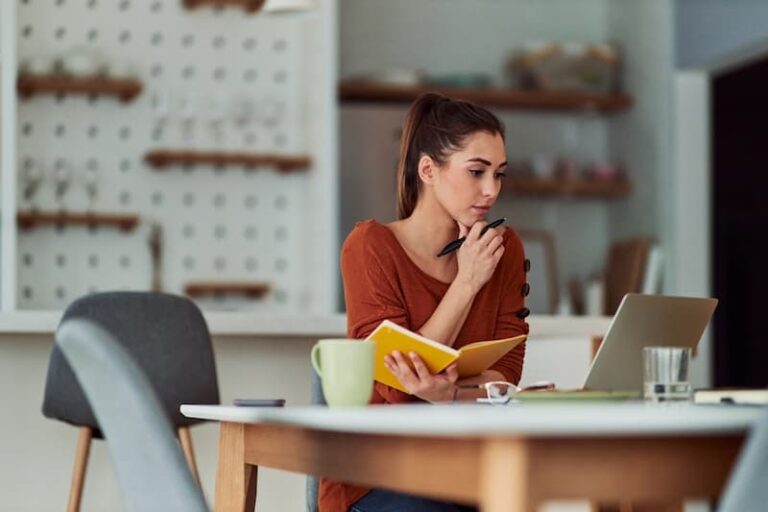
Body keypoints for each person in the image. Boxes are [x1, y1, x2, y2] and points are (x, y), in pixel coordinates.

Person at [319, 93, 530, 512]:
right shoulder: (369, 247)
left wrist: (447, 394)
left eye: (499, 174)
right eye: (476, 172)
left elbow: (506, 376)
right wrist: (466, 283)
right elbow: (394, 386)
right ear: (428, 170)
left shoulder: (504, 249)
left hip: (468, 472)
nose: (491, 191)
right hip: (377, 477)